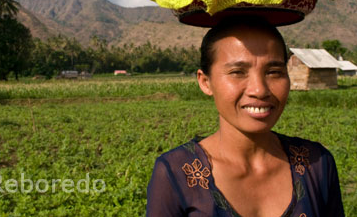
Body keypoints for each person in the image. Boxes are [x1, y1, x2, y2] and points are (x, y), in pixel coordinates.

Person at [146, 17, 345, 217]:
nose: (259, 90)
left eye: (274, 72)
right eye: (237, 72)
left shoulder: (316, 164)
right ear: (205, 82)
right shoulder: (175, 173)